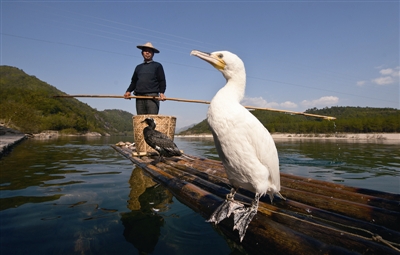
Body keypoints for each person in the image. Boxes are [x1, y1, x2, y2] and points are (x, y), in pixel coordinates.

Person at [124, 42, 166, 115]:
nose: (147, 53)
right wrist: (128, 91)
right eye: (145, 51)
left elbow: (162, 80)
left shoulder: (157, 66)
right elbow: (134, 81)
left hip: (152, 97)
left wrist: (162, 93)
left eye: (150, 51)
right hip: (139, 96)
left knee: (151, 120)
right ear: (142, 53)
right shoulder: (138, 67)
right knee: (141, 121)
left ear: (153, 54)